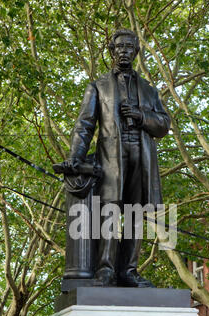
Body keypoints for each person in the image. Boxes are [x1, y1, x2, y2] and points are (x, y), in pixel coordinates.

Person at [68, 29, 170, 287]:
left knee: (135, 213)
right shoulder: (98, 86)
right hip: (111, 157)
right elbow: (85, 125)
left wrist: (141, 116)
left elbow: (164, 125)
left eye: (129, 47)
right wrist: (75, 157)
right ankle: (106, 269)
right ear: (112, 52)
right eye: (119, 47)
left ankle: (129, 271)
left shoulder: (149, 90)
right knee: (109, 212)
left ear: (136, 52)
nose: (124, 51)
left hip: (141, 156)